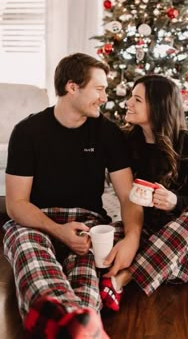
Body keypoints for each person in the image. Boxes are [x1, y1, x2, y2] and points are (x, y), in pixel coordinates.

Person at [3, 53, 143, 338]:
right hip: (36, 221)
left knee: (86, 279)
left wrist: (131, 238)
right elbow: (17, 204)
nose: (104, 97)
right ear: (72, 87)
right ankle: (77, 325)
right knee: (30, 254)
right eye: (99, 88)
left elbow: (128, 196)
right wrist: (57, 230)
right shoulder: (27, 132)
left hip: (86, 225)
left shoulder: (107, 133)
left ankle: (71, 325)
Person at [99, 74, 188, 312]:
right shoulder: (127, 140)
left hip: (187, 230)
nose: (128, 103)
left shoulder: (186, 143)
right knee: (105, 246)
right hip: (149, 230)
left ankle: (121, 281)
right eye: (131, 97)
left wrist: (175, 201)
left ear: (157, 107)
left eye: (137, 99)